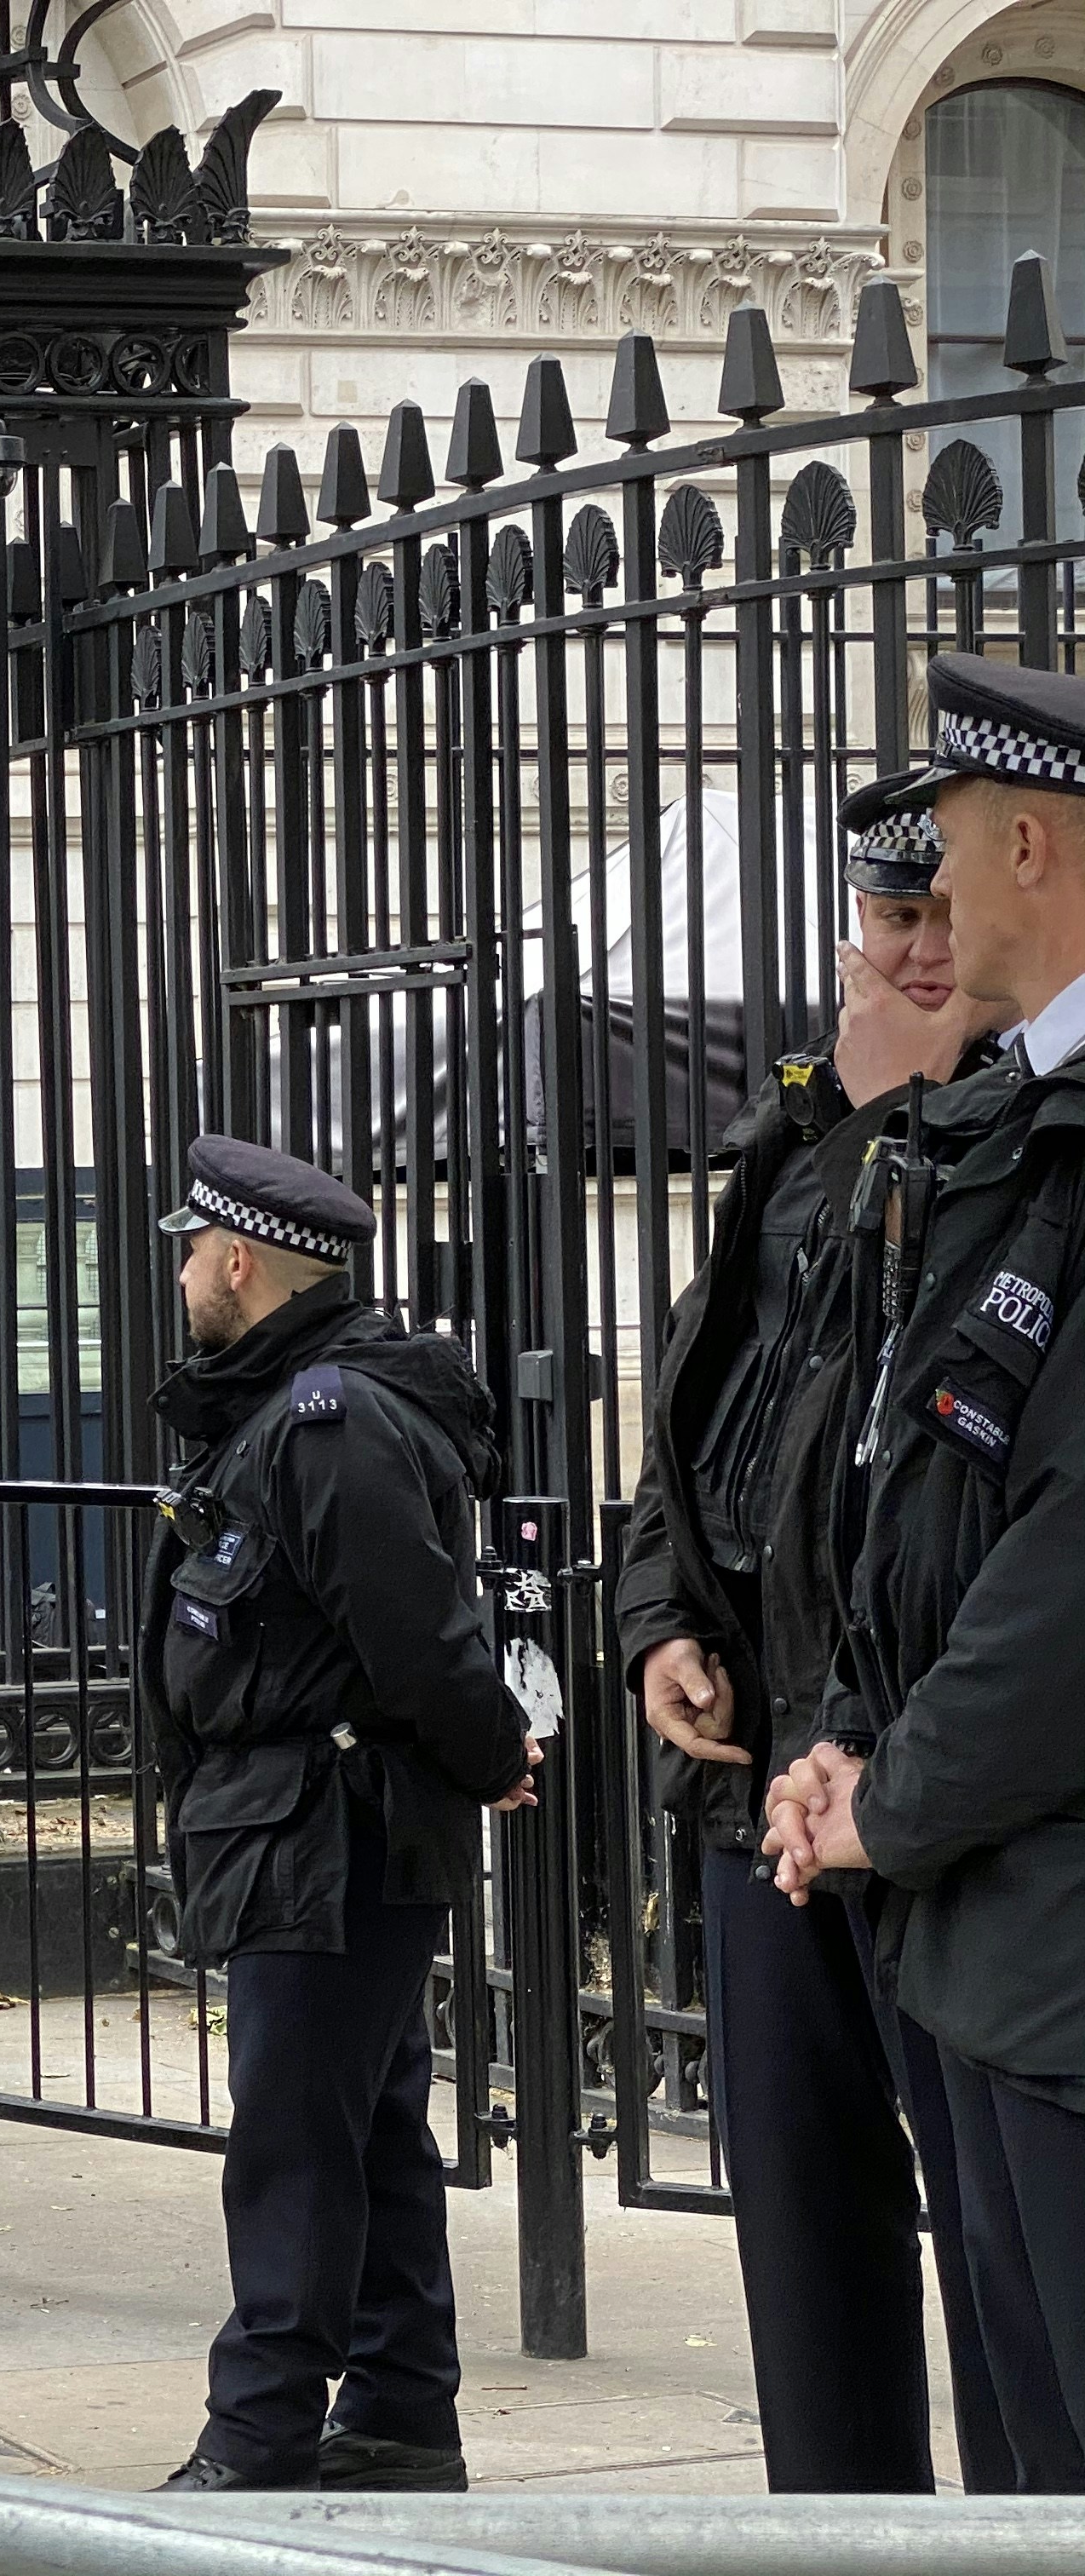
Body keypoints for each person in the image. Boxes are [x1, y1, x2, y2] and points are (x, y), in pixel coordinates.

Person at [615, 780, 1030, 2497]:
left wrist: (915, 1128)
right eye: (892, 922)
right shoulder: (795, 1141)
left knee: (1005, 2258)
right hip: (757, 1776)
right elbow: (695, 1421)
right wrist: (653, 1623)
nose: (917, 951)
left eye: (943, 921)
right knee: (801, 2236)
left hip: (930, 1782)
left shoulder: (1021, 1143)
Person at [767, 653, 1085, 2487]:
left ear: (1029, 842)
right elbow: (902, 1486)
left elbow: (1063, 1588)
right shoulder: (1008, 1133)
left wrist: (897, 1793)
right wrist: (847, 1739)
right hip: (984, 1928)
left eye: (946, 869)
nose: (930, 914)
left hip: (1040, 1922)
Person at [142, 1135, 539, 2497]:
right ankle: (397, 2416)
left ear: (239, 1261)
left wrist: (490, 1753)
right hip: (301, 1824)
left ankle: (258, 2438)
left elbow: (419, 1632)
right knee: (364, 2128)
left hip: (327, 1827)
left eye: (192, 1252)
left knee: (294, 2143)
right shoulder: (290, 1404)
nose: (185, 1273)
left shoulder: (328, 1416)